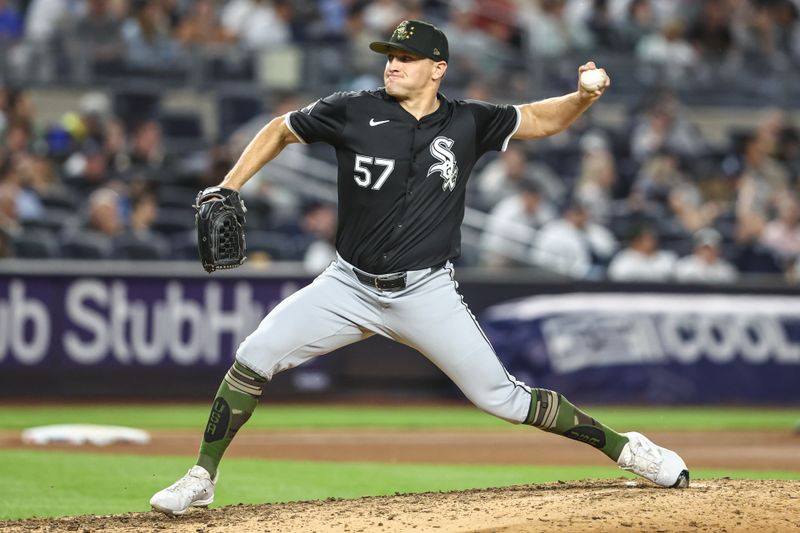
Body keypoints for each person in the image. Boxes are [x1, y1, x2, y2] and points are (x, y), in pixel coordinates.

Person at [149, 19, 689, 516]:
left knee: (502, 398)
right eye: (389, 54)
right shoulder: (351, 109)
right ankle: (202, 476)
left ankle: (626, 447)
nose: (393, 63)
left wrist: (582, 97)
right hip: (347, 285)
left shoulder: (468, 121)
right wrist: (229, 184)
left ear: (438, 68)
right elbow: (279, 129)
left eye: (406, 56)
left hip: (425, 291)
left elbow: (539, 120)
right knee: (253, 355)